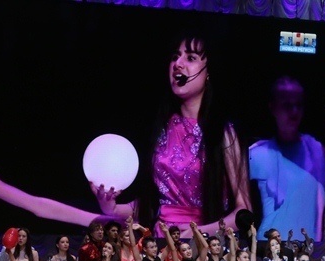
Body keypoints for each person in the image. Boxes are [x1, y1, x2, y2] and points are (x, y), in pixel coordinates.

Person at [92, 30, 251, 237]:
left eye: (191, 58)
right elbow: (150, 205)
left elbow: (244, 212)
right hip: (162, 242)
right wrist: (111, 207)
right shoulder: (161, 128)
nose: (178, 63)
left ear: (208, 71)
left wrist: (198, 234)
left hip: (205, 245)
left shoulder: (223, 132)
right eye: (175, 57)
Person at [250, 76, 325, 241]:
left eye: (298, 105)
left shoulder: (316, 151)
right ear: (273, 108)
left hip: (307, 246)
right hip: (268, 245)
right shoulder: (257, 154)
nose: (294, 112)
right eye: (287, 105)